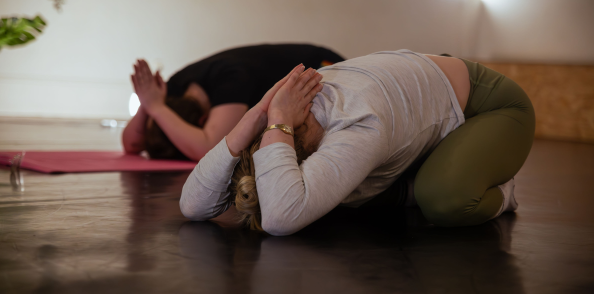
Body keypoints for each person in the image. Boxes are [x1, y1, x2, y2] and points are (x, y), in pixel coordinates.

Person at [179, 49, 536, 236]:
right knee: (341, 197)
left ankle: (500, 190)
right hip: (423, 117)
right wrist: (256, 115)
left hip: (490, 107)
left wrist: (277, 123)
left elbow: (280, 218)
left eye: (274, 128)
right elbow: (192, 206)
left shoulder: (358, 121)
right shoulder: (283, 112)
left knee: (443, 200)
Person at [123, 44, 345, 160]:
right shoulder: (174, 90)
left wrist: (157, 108)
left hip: (325, 66)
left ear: (203, 120)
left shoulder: (230, 79)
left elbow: (209, 147)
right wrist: (147, 105)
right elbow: (131, 145)